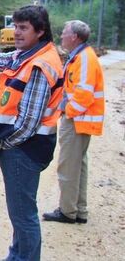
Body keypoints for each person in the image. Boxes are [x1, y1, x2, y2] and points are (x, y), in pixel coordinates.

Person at [0, 5, 63, 261]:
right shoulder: (29, 54)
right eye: (15, 26)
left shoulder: (40, 64)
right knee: (20, 212)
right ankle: (16, 257)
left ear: (41, 30)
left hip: (24, 150)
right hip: (27, 148)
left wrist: (6, 144)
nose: (16, 32)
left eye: (23, 27)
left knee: (23, 215)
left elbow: (28, 122)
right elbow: (2, 60)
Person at [42, 20, 104, 224]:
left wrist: (67, 112)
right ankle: (78, 210)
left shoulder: (84, 59)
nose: (61, 35)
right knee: (78, 166)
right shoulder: (80, 56)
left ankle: (68, 211)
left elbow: (83, 95)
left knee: (68, 166)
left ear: (75, 37)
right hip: (79, 120)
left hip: (77, 120)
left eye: (65, 32)